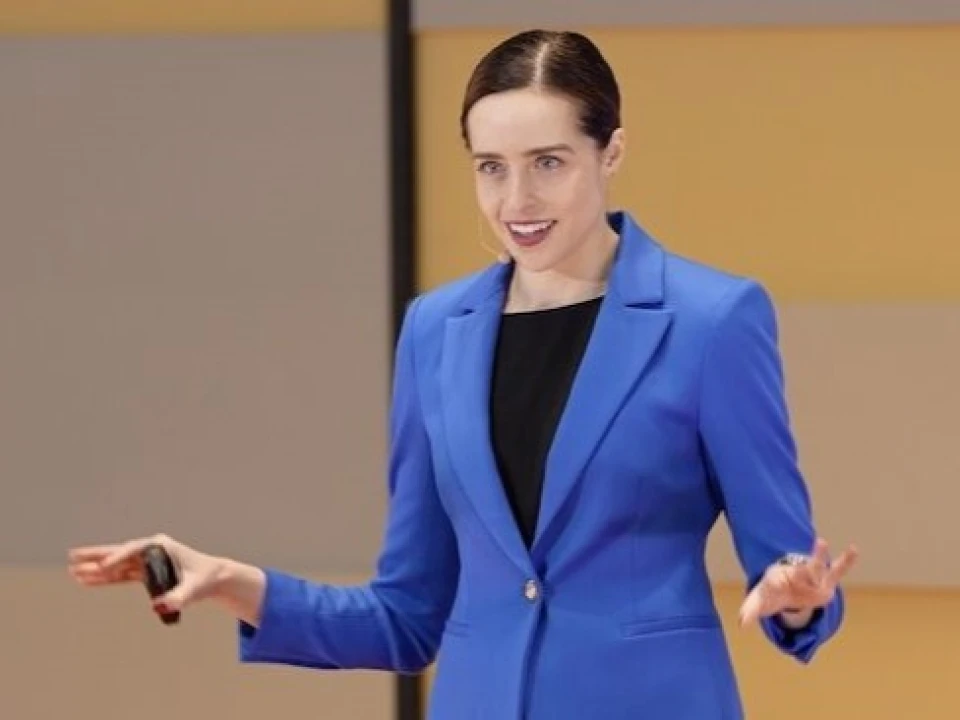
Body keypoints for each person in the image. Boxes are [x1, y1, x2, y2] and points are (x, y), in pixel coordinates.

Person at [68, 29, 858, 719]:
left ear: (611, 151)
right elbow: (407, 616)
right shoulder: (434, 331)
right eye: (490, 167)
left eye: (548, 163)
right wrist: (229, 580)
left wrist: (797, 599)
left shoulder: (712, 321)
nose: (517, 200)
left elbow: (791, 568)